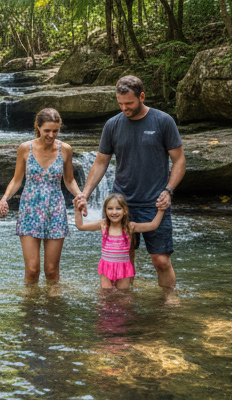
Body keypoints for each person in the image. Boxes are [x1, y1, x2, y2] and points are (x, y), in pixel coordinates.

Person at [74, 76, 186, 288]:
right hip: (122, 204)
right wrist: (84, 194)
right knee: (126, 258)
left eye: (129, 103)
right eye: (120, 103)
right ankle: (127, 307)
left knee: (161, 261)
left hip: (155, 202)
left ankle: (168, 303)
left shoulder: (163, 121)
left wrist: (169, 190)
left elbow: (179, 161)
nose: (124, 108)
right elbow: (100, 162)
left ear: (142, 97)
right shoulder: (112, 125)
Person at [0, 108, 82, 283]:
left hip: (56, 210)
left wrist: (81, 195)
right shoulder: (24, 148)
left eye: (55, 131)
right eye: (47, 131)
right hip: (30, 210)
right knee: (32, 269)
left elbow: (69, 180)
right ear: (38, 127)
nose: (51, 135)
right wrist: (4, 198)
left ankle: (53, 307)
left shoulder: (65, 150)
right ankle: (30, 307)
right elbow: (16, 180)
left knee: (51, 270)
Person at [74, 194, 166, 288]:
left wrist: (161, 210)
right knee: (105, 295)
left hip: (124, 268)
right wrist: (77, 210)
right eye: (110, 208)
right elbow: (81, 226)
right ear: (105, 210)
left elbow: (153, 225)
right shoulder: (103, 225)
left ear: (125, 211)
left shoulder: (130, 227)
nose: (114, 212)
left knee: (123, 297)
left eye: (118, 208)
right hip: (106, 268)